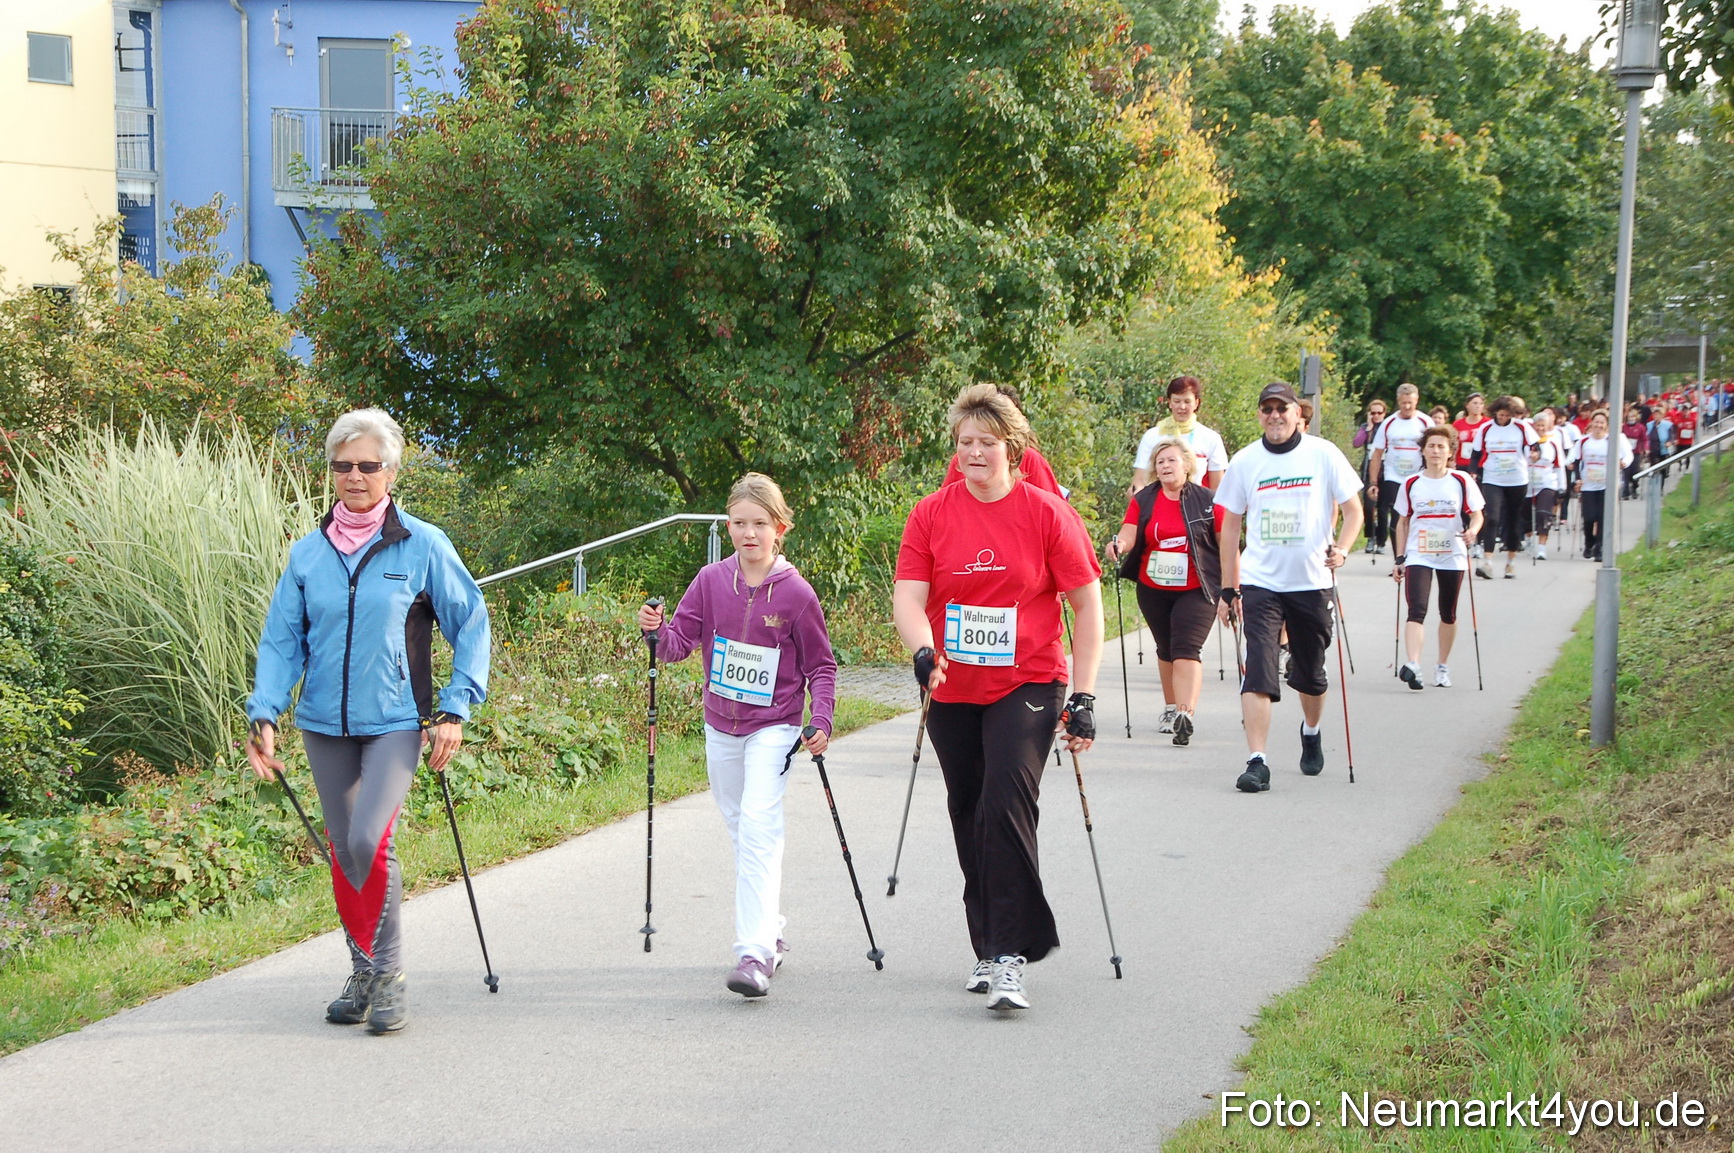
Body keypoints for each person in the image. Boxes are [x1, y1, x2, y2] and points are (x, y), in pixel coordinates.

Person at [245, 408, 490, 1035]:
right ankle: (362, 968)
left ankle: (390, 974)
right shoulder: (307, 555)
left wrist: (456, 707)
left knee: (365, 842)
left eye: (367, 465)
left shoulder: (423, 545)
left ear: (391, 471)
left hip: (396, 723)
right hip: (323, 724)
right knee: (342, 851)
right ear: (331, 472)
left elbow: (471, 622)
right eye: (342, 465)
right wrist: (265, 711)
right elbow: (282, 641)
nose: (354, 476)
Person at [893, 383, 1103, 1012]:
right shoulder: (931, 513)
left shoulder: (1046, 513)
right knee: (969, 808)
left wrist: (1085, 693)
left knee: (1008, 798)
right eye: (965, 443)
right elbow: (908, 593)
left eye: (986, 443)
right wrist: (923, 649)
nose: (974, 454)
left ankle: (1012, 955)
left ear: (1011, 448)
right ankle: (986, 945)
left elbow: (1086, 606)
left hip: (1030, 680)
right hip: (952, 685)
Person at [637, 473, 837, 999]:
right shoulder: (709, 580)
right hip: (719, 724)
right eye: (739, 524)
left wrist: (822, 719)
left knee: (757, 822)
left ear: (780, 529)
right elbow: (679, 644)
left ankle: (754, 954)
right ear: (729, 527)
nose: (749, 534)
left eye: (760, 524)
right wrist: (655, 631)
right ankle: (769, 923)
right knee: (741, 827)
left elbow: (822, 666)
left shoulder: (795, 593)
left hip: (775, 725)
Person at [1215, 381, 1363, 794]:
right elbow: (1230, 528)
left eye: (1283, 409)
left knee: (1310, 674)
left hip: (1312, 582)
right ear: (1259, 414)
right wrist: (1229, 588)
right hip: (1261, 583)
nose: (1275, 415)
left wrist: (1344, 549)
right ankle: (1257, 761)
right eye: (1267, 409)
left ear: (1299, 413)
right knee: (1258, 669)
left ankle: (1311, 730)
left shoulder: (1323, 454)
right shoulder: (1246, 461)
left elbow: (1354, 511)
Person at [1107, 437, 1226, 747]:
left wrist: (1233, 586)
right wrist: (1119, 544)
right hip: (1154, 586)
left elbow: (1225, 543)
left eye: (1171, 460)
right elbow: (1130, 531)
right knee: (1165, 647)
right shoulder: (1144, 499)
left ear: (1187, 465)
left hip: (1197, 586)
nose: (1165, 466)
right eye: (1159, 462)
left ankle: (1185, 714)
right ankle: (1171, 707)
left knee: (1187, 647)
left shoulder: (1209, 500)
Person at [1391, 426, 1486, 690]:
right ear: (1423, 450)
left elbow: (1477, 514)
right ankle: (1414, 665)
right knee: (1416, 609)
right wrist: (1400, 558)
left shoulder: (1461, 481)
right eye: (1431, 446)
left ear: (1450, 452)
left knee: (1448, 612)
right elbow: (1402, 523)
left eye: (1441, 446)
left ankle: (1442, 665)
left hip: (1452, 554)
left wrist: (1473, 531)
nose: (1435, 451)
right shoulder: (1411, 483)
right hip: (1419, 554)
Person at [1470, 396, 1538, 579]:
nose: (1503, 418)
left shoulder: (1521, 427)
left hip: (1517, 479)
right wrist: (1473, 472)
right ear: (1495, 413)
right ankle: (1488, 562)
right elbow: (1476, 454)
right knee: (1491, 517)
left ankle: (1511, 562)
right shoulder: (1486, 428)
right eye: (1500, 415)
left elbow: (1535, 446)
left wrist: (1535, 454)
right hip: (1493, 478)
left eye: (1507, 415)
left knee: (1513, 520)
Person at [1132, 375, 1228, 492]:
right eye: (1177, 401)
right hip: (1158, 504)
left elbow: (1217, 488)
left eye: (1187, 401)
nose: (1182, 407)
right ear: (1169, 403)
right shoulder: (1152, 436)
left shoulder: (1211, 438)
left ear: (1196, 403)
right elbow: (1139, 481)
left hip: (1198, 505)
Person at [1367, 383, 1430, 560]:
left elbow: (1436, 448)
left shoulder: (1425, 422)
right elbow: (1377, 454)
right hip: (1394, 477)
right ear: (1398, 401)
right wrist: (1373, 482)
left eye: (1410, 402)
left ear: (1417, 400)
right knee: (1397, 519)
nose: (1407, 406)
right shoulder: (1389, 424)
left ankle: (1418, 555)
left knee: (1417, 517)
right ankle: (1400, 558)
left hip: (1418, 476)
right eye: (1403, 403)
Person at [1574, 410, 1631, 562]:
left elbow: (1627, 456)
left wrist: (1623, 463)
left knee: (1602, 517)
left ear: (1606, 425)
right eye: (1596, 421)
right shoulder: (1583, 441)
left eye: (1602, 422)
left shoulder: (1612, 441)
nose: (1598, 425)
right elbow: (1577, 461)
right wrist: (1577, 480)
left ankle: (1600, 548)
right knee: (1589, 517)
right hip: (1588, 484)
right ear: (1591, 423)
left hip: (1607, 484)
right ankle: (1589, 542)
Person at [1526, 408, 1568, 561]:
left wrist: (1562, 487)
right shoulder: (1526, 443)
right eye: (1537, 425)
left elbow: (1559, 466)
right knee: (1526, 516)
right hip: (1528, 484)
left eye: (1543, 426)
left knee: (1543, 513)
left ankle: (1542, 547)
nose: (1540, 429)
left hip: (1546, 483)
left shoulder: (1553, 443)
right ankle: (1529, 539)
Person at [1354, 399, 1388, 554]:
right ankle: (1370, 537)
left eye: (1379, 413)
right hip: (1368, 470)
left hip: (1386, 470)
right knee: (1368, 506)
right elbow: (1356, 443)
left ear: (1384, 414)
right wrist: (1368, 428)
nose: (1376, 416)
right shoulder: (1366, 428)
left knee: (1382, 508)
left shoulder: (1388, 428)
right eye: (1373, 413)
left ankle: (1381, 540)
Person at [1621, 405, 1648, 499]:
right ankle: (1625, 492)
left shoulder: (1640, 427)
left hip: (1636, 452)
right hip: (1625, 453)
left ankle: (1635, 487)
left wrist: (1645, 449)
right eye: (1629, 417)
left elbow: (1644, 439)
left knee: (1635, 472)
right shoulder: (1623, 427)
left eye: (1632, 417)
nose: (1631, 419)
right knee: (1626, 472)